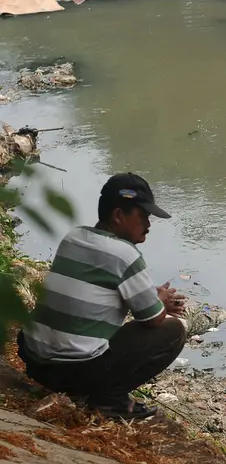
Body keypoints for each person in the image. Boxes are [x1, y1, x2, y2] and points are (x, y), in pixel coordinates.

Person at [16, 173, 188, 419]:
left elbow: (96, 291)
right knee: (173, 331)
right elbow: (151, 319)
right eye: (143, 216)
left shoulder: (73, 237)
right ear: (118, 215)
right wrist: (159, 301)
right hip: (73, 372)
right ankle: (110, 401)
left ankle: (94, 391)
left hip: (34, 360)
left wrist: (150, 298)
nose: (148, 225)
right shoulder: (126, 255)